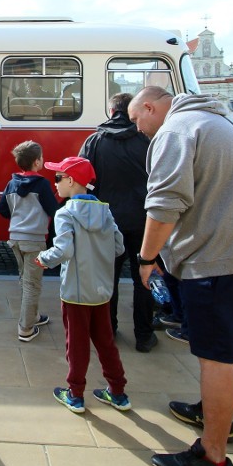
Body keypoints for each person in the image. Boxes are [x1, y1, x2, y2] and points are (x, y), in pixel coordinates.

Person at [128, 86, 233, 466]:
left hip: (216, 261)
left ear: (150, 106)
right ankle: (214, 415)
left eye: (136, 119)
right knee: (226, 350)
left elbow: (164, 204)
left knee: (215, 357)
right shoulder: (218, 121)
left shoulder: (177, 131)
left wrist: (147, 259)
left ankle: (213, 458)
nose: (138, 127)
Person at [35, 156, 129, 415]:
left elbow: (63, 250)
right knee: (105, 342)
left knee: (75, 344)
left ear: (71, 181)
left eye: (58, 178)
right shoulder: (105, 211)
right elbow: (119, 247)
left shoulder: (65, 213)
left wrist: (44, 259)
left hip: (76, 291)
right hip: (102, 290)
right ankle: (118, 392)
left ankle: (75, 394)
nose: (54, 184)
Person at [78, 92, 157, 352]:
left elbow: (82, 182)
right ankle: (144, 336)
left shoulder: (95, 141)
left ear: (111, 111)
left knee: (106, 279)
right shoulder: (148, 140)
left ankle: (107, 331)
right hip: (143, 223)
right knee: (143, 278)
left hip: (106, 223)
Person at [0, 140, 59, 342]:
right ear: (36, 162)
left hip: (15, 239)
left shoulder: (11, 184)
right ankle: (26, 328)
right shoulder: (42, 185)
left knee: (25, 278)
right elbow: (53, 211)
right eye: (41, 158)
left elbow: (2, 210)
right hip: (34, 241)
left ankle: (32, 316)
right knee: (33, 284)